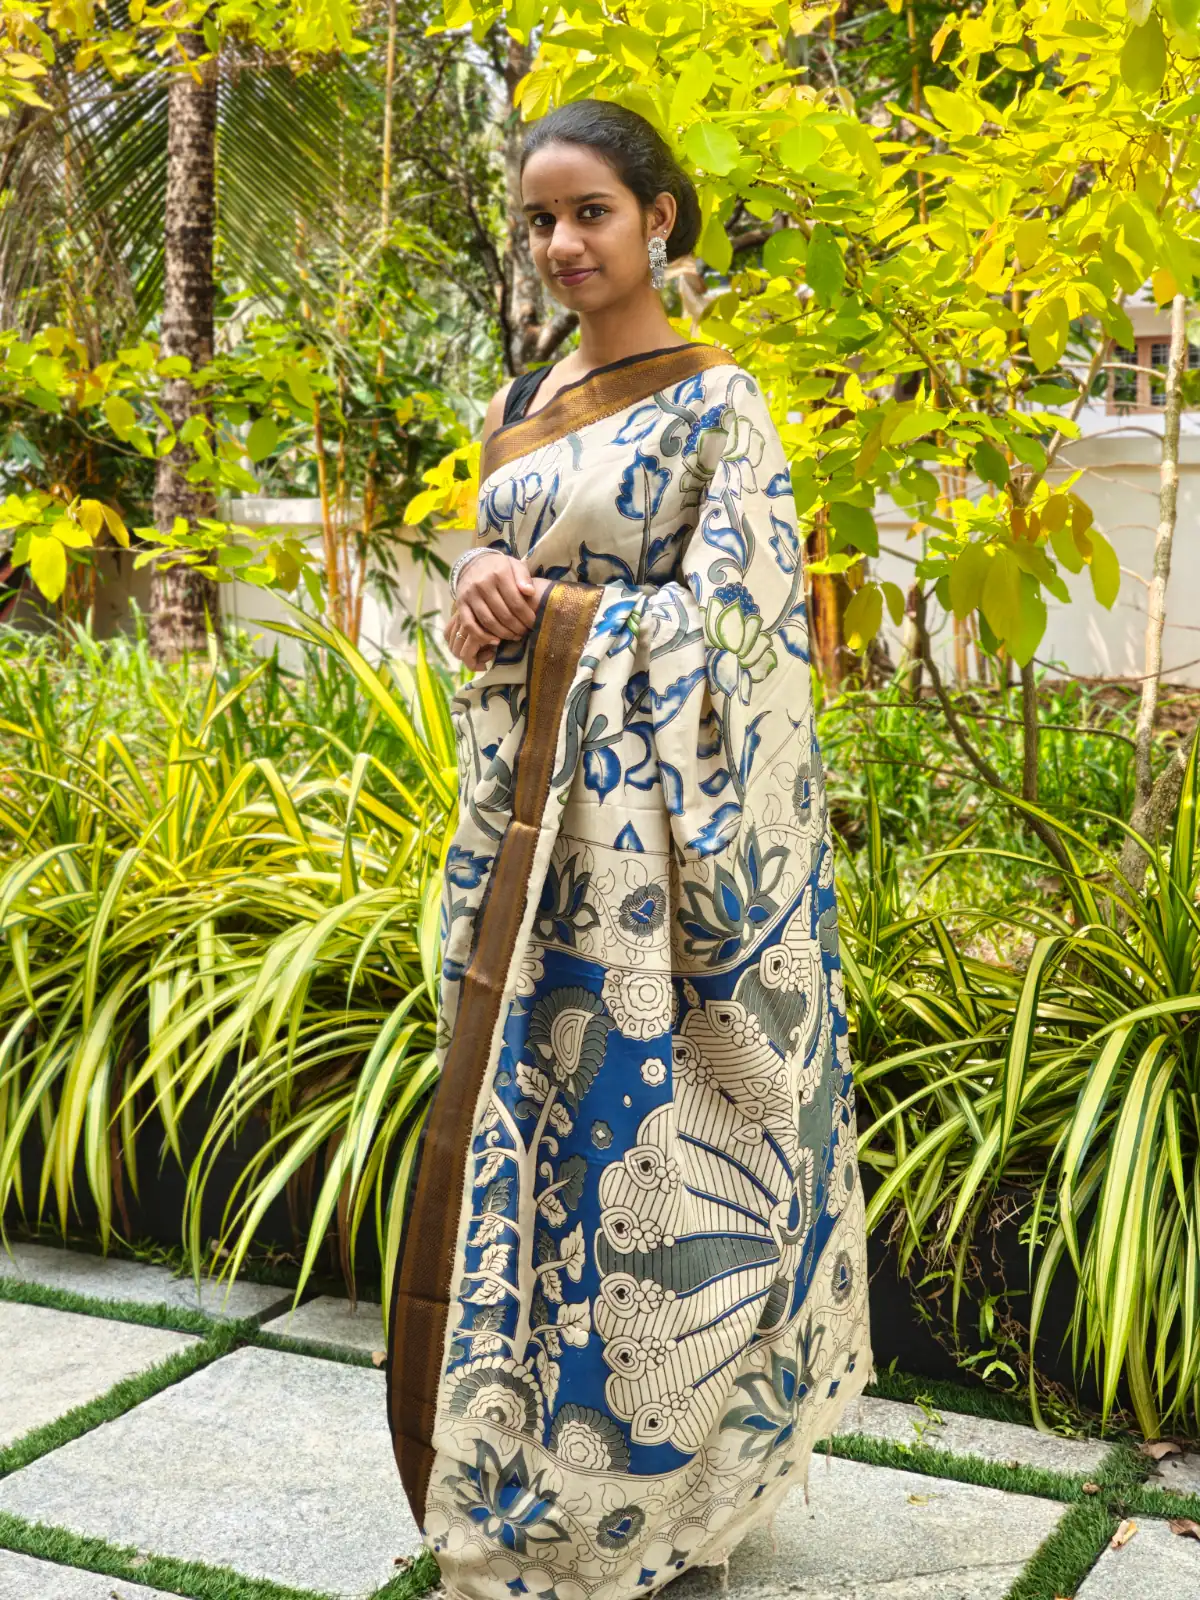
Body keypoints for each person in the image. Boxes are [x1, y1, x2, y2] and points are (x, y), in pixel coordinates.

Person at [386, 98, 870, 1600]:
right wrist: (476, 577)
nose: (560, 244)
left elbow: (745, 630)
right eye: (539, 220)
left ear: (660, 218)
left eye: (590, 211)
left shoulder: (724, 407)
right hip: (531, 858)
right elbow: (503, 555)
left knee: (662, 1160)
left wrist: (561, 618)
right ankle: (528, 1480)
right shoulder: (528, 395)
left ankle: (675, 1510)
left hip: (673, 884)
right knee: (537, 1165)